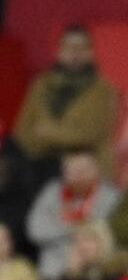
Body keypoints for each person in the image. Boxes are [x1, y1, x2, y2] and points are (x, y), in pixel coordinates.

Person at [11, 26, 117, 181]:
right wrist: (51, 139)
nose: (75, 52)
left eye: (81, 47)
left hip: (85, 166)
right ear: (58, 50)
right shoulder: (40, 84)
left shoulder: (103, 90)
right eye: (69, 47)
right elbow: (23, 130)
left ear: (91, 52)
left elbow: (90, 134)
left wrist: (47, 131)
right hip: (39, 163)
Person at [26, 148, 120, 280]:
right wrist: (74, 229)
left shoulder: (110, 195)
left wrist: (62, 230)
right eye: (74, 170)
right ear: (64, 172)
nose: (79, 174)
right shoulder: (52, 191)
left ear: (97, 169)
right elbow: (36, 230)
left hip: (99, 268)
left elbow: (106, 232)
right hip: (54, 269)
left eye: (84, 169)